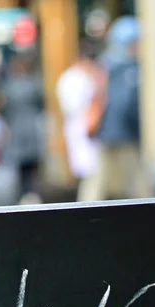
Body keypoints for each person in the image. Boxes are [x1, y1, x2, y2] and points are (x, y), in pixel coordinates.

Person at [88, 15, 150, 201]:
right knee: (137, 184)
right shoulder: (126, 67)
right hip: (122, 132)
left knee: (101, 181)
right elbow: (126, 103)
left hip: (108, 130)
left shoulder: (106, 63)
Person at [57, 40, 108, 202]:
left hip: (84, 128)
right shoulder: (75, 79)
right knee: (90, 173)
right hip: (82, 128)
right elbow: (76, 107)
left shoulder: (77, 77)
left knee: (92, 173)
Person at [0, 55, 45, 204]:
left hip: (16, 129)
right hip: (31, 128)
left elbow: (4, 109)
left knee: (20, 166)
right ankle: (32, 194)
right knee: (32, 166)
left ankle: (23, 194)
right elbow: (41, 104)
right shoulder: (34, 84)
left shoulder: (8, 86)